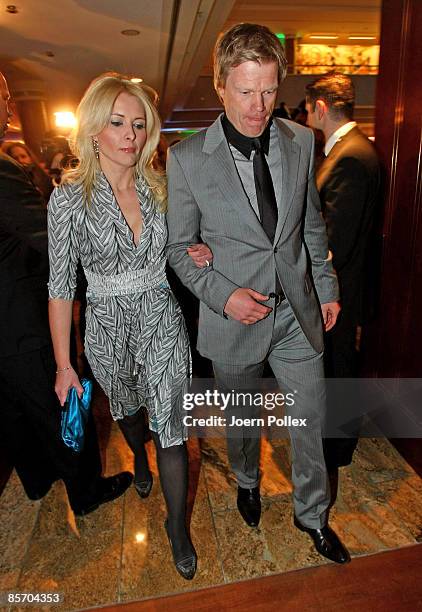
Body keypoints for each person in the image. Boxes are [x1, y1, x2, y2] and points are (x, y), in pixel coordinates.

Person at [167, 23, 350, 564]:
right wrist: (223, 297)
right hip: (235, 318)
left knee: (310, 417)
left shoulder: (300, 140)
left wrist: (326, 287)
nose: (258, 105)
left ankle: (312, 515)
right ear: (221, 86)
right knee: (243, 420)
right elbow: (179, 248)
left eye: (268, 90)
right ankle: (247, 480)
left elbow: (309, 224)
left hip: (297, 310)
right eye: (245, 91)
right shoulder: (188, 159)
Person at [47, 72, 211, 580]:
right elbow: (59, 287)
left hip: (160, 316)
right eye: (117, 123)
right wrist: (63, 365)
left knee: (173, 427)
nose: (130, 135)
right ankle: (137, 456)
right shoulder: (69, 200)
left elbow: (174, 247)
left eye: (138, 125)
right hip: (106, 327)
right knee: (131, 415)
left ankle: (176, 527)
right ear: (94, 128)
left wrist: (192, 250)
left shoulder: (160, 187)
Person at [0, 71, 132, 516]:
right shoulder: (0, 168)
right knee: (63, 403)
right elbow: (48, 238)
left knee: (14, 409)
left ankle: (37, 480)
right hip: (21, 320)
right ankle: (87, 491)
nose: (11, 110)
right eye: (5, 99)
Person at [305, 72, 380, 468]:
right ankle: (335, 444)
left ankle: (337, 450)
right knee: (335, 369)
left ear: (319, 107)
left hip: (340, 288)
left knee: (338, 370)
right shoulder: (345, 150)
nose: (305, 116)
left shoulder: (350, 155)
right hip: (341, 285)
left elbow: (337, 238)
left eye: (306, 108)